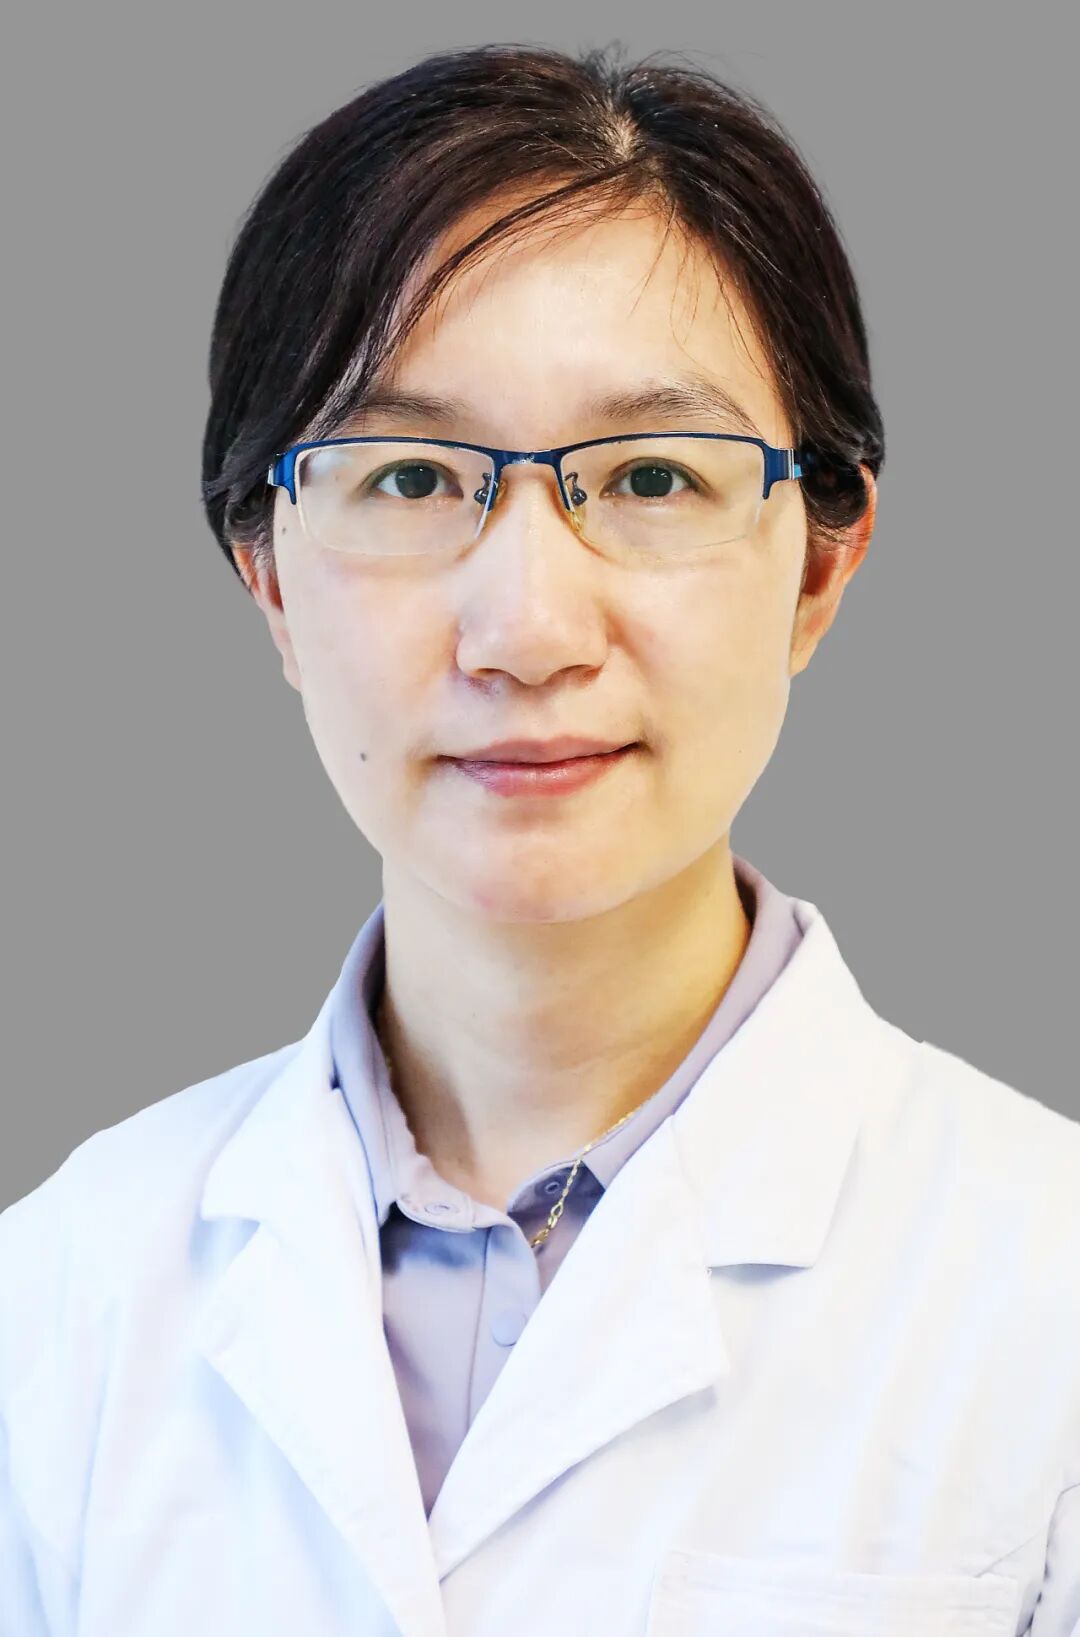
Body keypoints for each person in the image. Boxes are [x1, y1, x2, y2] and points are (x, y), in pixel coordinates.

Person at [2, 40, 1077, 1637]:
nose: (526, 628)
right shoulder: (60, 1298)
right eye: (410, 476)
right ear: (272, 579)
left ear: (819, 565)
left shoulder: (1045, 1291)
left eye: (649, 476)